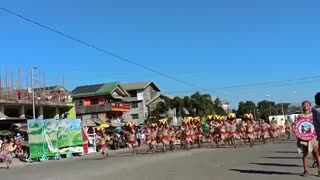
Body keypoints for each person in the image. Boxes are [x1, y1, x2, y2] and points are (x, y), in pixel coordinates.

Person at [297, 101, 320, 176]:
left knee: (316, 153)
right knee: (305, 154)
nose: (305, 105)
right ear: (302, 106)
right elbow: (298, 126)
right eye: (304, 104)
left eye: (307, 104)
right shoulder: (300, 116)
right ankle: (306, 171)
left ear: (310, 106)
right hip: (304, 137)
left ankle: (319, 170)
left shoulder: (314, 114)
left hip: (314, 136)